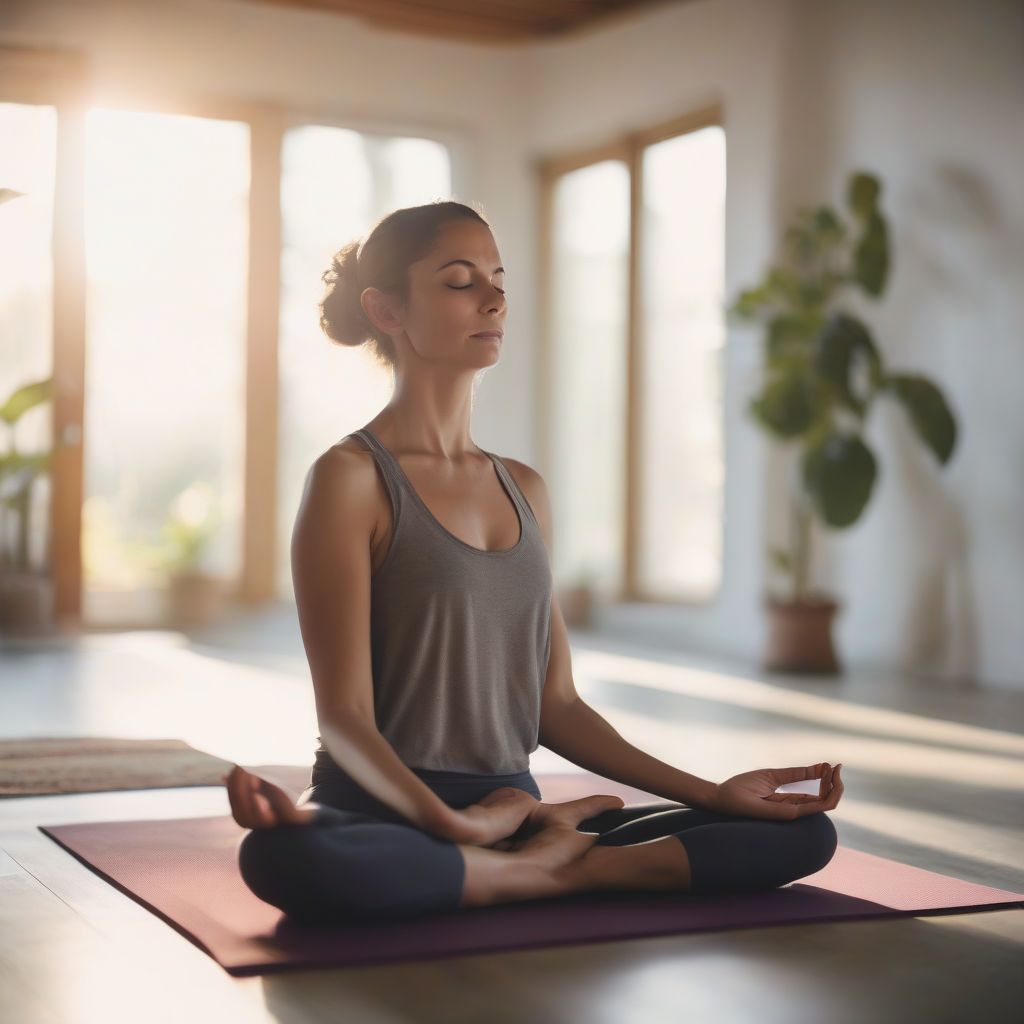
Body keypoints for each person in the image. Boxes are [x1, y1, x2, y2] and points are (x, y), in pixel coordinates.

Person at [224, 199, 843, 924]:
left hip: (517, 813)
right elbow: (345, 717)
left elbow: (558, 707)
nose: (492, 299)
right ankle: (553, 866)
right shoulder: (350, 478)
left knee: (804, 835)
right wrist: (460, 825)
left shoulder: (524, 489)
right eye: (459, 281)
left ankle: (528, 867)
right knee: (281, 856)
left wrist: (712, 793)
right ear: (386, 310)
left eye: (498, 280)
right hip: (382, 807)